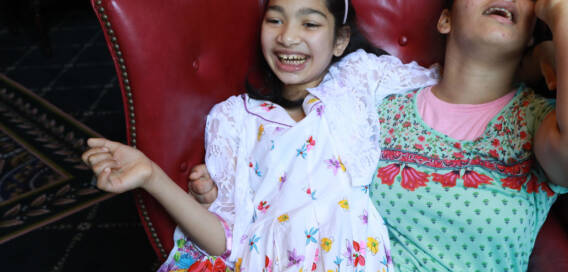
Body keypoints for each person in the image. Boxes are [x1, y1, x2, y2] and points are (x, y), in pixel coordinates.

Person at [190, 0, 568, 271]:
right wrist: (221, 191)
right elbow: (290, 152)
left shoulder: (537, 122)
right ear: (444, 20)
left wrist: (562, 16)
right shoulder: (371, 100)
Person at [82, 0, 448, 271]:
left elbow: (444, 83)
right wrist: (151, 175)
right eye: (275, 19)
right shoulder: (234, 118)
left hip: (350, 255)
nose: (288, 37)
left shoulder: (359, 77)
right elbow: (222, 241)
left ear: (340, 40)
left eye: (310, 23)